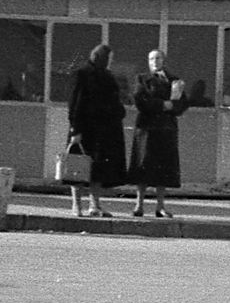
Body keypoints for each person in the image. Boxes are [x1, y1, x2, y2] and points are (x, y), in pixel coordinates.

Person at [66, 43, 127, 218]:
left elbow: (114, 100)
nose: (110, 62)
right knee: (77, 167)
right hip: (84, 129)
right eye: (109, 58)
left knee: (98, 169)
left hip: (103, 130)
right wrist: (75, 130)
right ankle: (76, 205)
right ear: (101, 57)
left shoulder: (107, 76)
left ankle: (95, 205)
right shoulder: (81, 74)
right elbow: (74, 104)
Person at [127, 49, 186, 217]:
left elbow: (181, 105)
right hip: (147, 129)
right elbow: (140, 100)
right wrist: (163, 105)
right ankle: (139, 205)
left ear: (163, 60)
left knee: (164, 168)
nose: (155, 61)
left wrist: (175, 102)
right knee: (143, 166)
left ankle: (160, 206)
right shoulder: (142, 79)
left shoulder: (174, 80)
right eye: (151, 58)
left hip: (166, 129)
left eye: (158, 58)